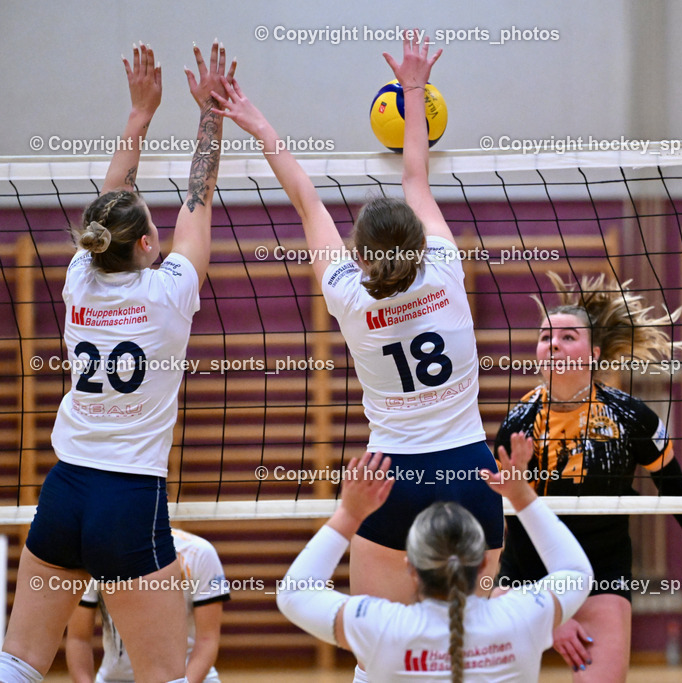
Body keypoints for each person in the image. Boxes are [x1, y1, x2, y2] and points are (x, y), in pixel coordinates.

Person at [212, 29, 502, 653]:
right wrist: (416, 90)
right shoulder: (447, 272)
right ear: (418, 245)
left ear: (362, 256)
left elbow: (304, 197)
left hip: (389, 477)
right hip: (473, 472)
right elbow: (416, 181)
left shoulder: (347, 295)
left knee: (381, 654)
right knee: (475, 649)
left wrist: (259, 126)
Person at [0, 42, 232, 683]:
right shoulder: (170, 291)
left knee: (18, 661)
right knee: (164, 674)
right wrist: (210, 113)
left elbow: (108, 201)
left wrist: (138, 113)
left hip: (66, 490)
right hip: (129, 500)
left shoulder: (79, 279)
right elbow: (199, 195)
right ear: (149, 244)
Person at [494, 273, 682, 682]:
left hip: (602, 572)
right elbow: (515, 521)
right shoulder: (519, 424)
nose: (554, 345)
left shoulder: (631, 417)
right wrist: (547, 615)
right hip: (527, 577)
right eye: (547, 337)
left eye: (568, 337)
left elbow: (675, 490)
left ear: (593, 353)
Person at [276, 435, 594, 682]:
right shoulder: (521, 617)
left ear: (411, 568)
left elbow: (294, 593)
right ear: (483, 563)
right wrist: (522, 496)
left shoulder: (381, 626)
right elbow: (577, 572)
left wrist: (348, 515)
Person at [65, 528, 231, 683]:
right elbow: (78, 639)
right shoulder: (94, 554)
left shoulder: (197, 552)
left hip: (187, 678)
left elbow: (207, 640)